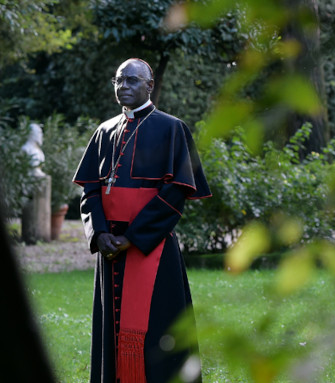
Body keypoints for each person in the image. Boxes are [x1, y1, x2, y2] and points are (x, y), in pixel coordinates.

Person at [73, 58, 211, 383]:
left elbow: (176, 191)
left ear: (149, 86)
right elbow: (90, 190)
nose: (124, 87)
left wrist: (133, 236)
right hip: (110, 249)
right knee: (112, 332)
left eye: (132, 81)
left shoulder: (171, 128)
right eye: (119, 81)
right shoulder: (104, 131)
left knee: (158, 334)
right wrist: (100, 233)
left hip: (153, 247)